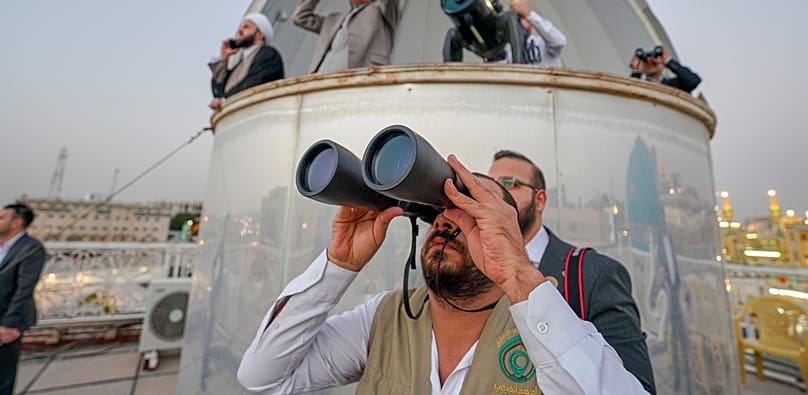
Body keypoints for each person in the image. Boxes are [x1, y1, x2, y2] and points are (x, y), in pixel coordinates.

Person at [238, 156, 650, 394]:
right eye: (439, 210)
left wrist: (517, 270)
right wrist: (337, 264)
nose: (448, 222)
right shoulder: (385, 317)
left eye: (472, 212)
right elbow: (261, 377)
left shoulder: (552, 325)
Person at [488, 150, 656, 394]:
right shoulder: (476, 269)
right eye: (490, 187)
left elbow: (638, 386)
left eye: (508, 184)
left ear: (540, 200)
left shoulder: (595, 274)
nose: (497, 195)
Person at [0, 203, 46, 395]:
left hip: (6, 319)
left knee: (2, 376)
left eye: (2, 217)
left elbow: (23, 290)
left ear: (16, 223)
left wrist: (9, 325)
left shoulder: (31, 249)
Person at [208, 12, 284, 111]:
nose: (240, 31)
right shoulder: (241, 63)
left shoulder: (268, 55)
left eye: (246, 27)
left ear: (260, 34)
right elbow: (219, 89)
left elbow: (252, 83)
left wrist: (225, 100)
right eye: (241, 27)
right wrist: (224, 58)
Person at [509, 0, 567, 67]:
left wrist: (529, 15)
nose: (519, 22)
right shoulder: (510, 55)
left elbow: (559, 42)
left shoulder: (543, 44)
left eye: (522, 17)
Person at [629, 45, 701, 94]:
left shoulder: (675, 85)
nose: (650, 61)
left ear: (663, 64)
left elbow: (693, 81)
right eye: (645, 60)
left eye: (655, 58)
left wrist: (669, 61)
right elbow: (629, 93)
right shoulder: (641, 86)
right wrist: (636, 72)